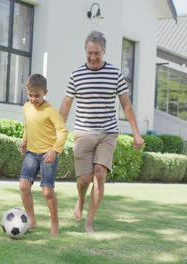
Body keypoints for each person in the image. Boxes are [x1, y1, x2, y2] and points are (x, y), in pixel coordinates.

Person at [59, 31, 144, 233]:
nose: (93, 57)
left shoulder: (115, 74)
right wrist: (58, 132)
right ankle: (80, 200)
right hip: (83, 132)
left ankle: (89, 222)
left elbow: (126, 105)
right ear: (85, 51)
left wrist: (136, 133)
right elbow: (66, 104)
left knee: (99, 176)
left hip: (108, 133)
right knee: (84, 179)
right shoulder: (76, 75)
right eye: (90, 53)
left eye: (97, 53)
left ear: (104, 52)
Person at [19, 73, 68, 235]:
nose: (33, 99)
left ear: (45, 92)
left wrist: (55, 150)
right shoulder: (26, 107)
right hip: (32, 153)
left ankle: (55, 221)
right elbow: (28, 126)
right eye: (30, 95)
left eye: (37, 96)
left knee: (47, 192)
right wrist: (25, 141)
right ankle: (31, 220)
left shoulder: (50, 111)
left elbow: (63, 130)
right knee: (24, 187)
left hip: (48, 155)